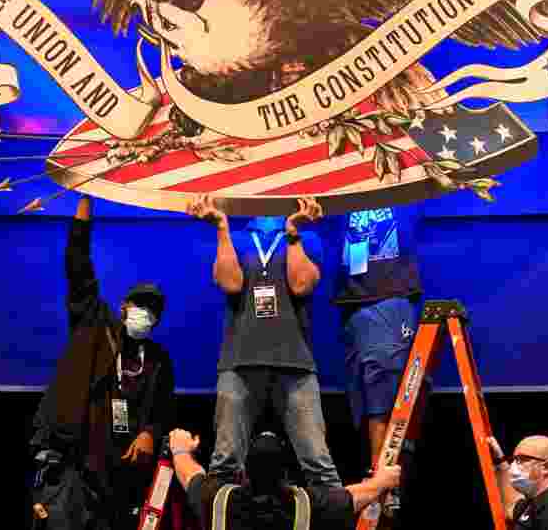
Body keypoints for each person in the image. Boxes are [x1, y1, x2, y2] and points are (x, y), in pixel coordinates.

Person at [29, 197, 177, 530]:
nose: (146, 313)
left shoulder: (157, 360)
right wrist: (85, 201)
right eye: (140, 305)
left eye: (153, 310)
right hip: (71, 463)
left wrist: (150, 433)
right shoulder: (95, 324)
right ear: (124, 307)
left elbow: (165, 410)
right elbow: (77, 265)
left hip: (118, 476)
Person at [186, 194, 342, 489]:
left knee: (319, 464)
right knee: (224, 463)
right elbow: (230, 282)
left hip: (295, 363)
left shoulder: (308, 237)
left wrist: (293, 235)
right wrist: (221, 227)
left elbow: (301, 285)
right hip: (239, 361)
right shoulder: (236, 237)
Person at [331, 203, 429, 517]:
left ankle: (384, 486)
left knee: (382, 401)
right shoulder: (342, 183)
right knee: (363, 401)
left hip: (388, 297)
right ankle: (382, 478)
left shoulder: (405, 187)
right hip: (351, 302)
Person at [167, 427, 402, 530]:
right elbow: (352, 497)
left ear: (245, 474)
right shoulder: (304, 505)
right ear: (287, 475)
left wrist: (179, 448)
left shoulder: (220, 500)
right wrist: (382, 481)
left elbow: (189, 475)